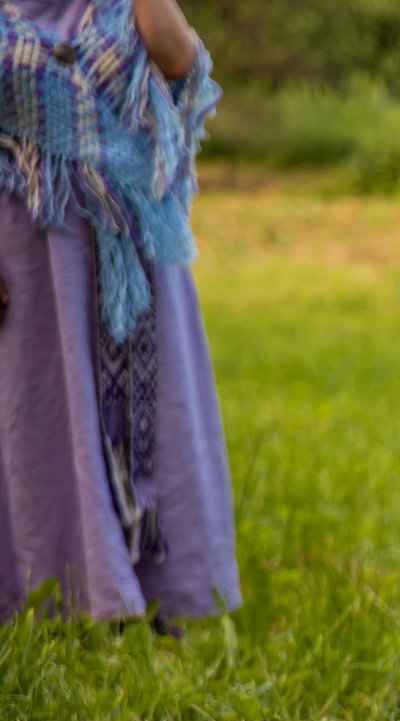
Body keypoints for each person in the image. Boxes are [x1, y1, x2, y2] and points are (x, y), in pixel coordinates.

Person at [0, 0, 237, 629]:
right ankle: (58, 593)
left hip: (136, 246)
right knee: (43, 415)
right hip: (28, 247)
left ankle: (161, 592)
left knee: (155, 416)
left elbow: (179, 61)